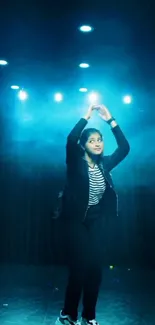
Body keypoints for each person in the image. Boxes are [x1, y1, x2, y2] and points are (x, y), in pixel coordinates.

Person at [55, 104, 130, 325]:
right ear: (84, 145)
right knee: (79, 269)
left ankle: (89, 317)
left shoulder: (105, 164)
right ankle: (68, 314)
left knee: (95, 270)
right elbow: (70, 140)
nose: (97, 143)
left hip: (96, 223)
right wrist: (86, 117)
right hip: (75, 222)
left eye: (100, 140)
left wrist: (111, 120)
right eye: (92, 140)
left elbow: (125, 148)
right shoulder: (75, 164)